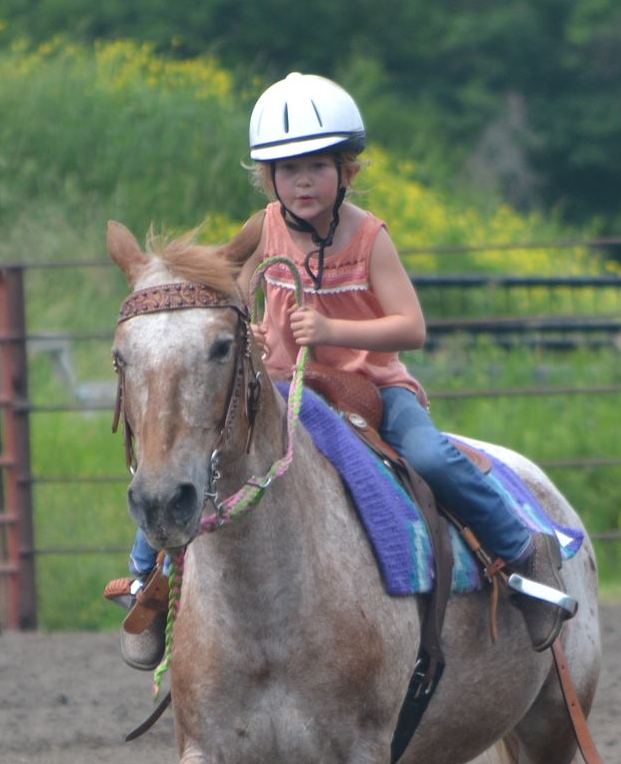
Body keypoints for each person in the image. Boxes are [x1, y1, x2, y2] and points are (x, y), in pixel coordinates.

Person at [111, 72, 564, 669]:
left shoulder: (369, 237)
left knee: (428, 456)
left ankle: (522, 554)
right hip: (285, 389)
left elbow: (411, 327)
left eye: (319, 166)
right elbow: (237, 310)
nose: (304, 181)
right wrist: (253, 335)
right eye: (288, 168)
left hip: (372, 388)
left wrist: (332, 332)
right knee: (194, 454)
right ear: (268, 177)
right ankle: (148, 579)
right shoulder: (263, 231)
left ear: (346, 171)